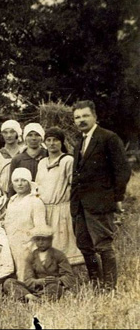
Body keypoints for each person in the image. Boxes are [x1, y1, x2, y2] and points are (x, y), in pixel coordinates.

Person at [71, 100, 131, 291]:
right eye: (77, 117)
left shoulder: (108, 138)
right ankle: (95, 283)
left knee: (103, 245)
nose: (81, 120)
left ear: (95, 116)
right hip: (80, 204)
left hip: (99, 203)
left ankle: (109, 286)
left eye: (85, 116)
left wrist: (116, 197)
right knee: (84, 245)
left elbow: (123, 170)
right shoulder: (79, 141)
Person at [35, 127, 83, 265]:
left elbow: (74, 186)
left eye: (55, 140)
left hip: (62, 209)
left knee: (64, 245)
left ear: (61, 142)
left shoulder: (67, 160)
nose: (52, 143)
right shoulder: (42, 162)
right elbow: (38, 186)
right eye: (48, 140)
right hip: (45, 209)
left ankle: (69, 275)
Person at [3, 168, 47, 281]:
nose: (20, 184)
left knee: (26, 274)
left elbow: (40, 228)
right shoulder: (12, 201)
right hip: (12, 243)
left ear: (29, 183)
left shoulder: (35, 201)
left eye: (23, 180)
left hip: (28, 245)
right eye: (16, 180)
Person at [22, 224, 76, 301]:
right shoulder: (31, 256)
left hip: (52, 286)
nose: (41, 242)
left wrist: (58, 280)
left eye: (44, 239)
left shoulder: (58, 255)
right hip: (36, 288)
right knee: (9, 282)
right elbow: (27, 280)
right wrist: (39, 281)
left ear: (50, 240)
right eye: (38, 239)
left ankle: (36, 299)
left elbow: (69, 277)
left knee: (55, 288)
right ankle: (32, 297)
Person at [8, 123, 47, 196]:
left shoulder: (47, 156)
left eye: (37, 135)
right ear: (25, 138)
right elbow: (12, 184)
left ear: (42, 137)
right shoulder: (17, 159)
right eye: (30, 135)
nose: (33, 138)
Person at [0, 120, 24, 194]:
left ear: (17, 133)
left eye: (12, 132)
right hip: (1, 195)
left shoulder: (24, 153)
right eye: (5, 132)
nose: (9, 135)